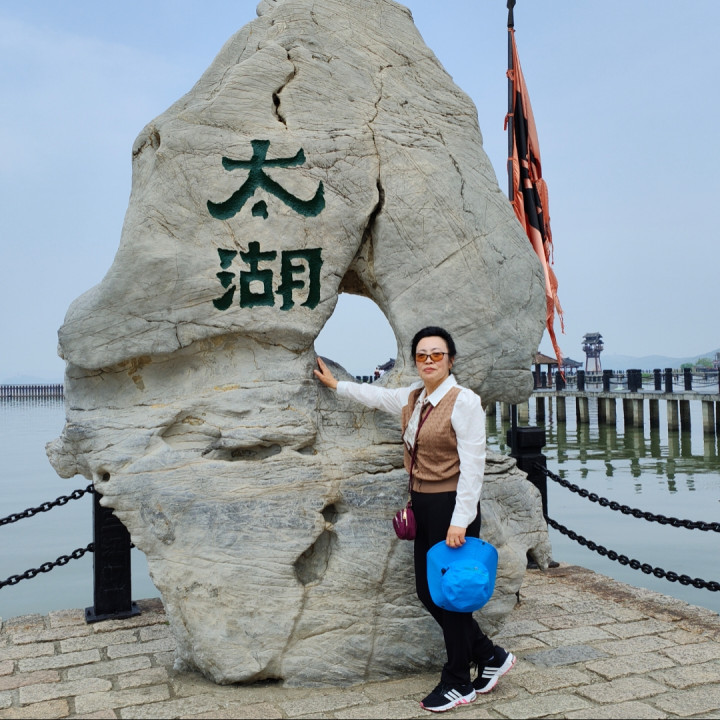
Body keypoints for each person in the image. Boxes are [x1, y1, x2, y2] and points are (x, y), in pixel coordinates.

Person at [314, 326, 515, 713]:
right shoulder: (414, 398)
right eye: (422, 355)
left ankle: (458, 680)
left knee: (451, 597)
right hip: (423, 506)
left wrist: (460, 521)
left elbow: (474, 468)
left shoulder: (464, 402)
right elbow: (376, 396)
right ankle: (490, 656)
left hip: (451, 507)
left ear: (450, 360)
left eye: (437, 354)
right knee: (429, 592)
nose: (429, 361)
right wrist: (337, 385)